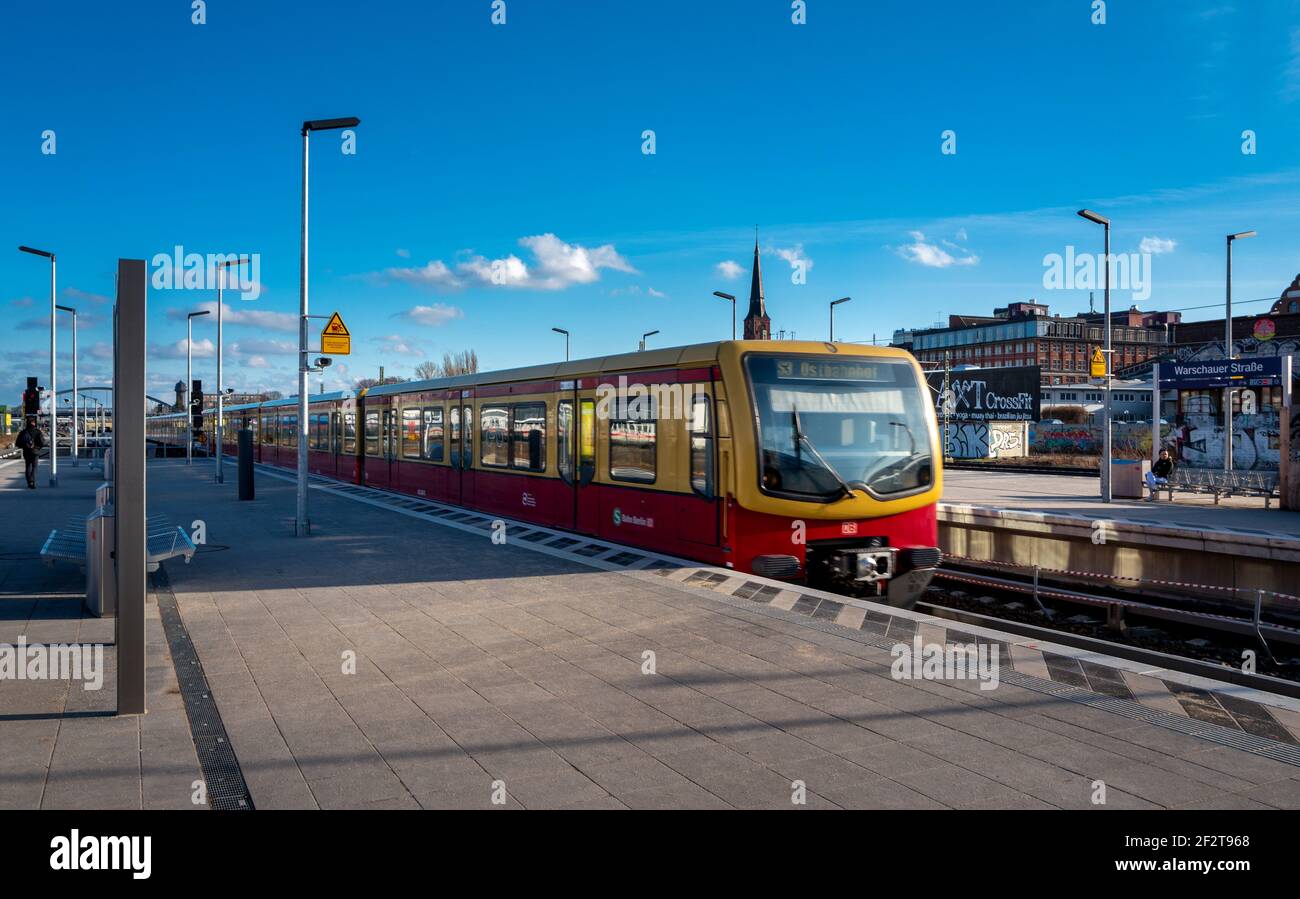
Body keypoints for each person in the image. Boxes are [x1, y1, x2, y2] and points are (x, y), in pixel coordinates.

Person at [16, 415, 46, 489]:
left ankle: (29, 482)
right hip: (35, 451)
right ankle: (32, 481)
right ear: (34, 423)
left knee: (28, 466)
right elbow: (42, 443)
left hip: (26, 451)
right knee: (34, 467)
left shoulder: (23, 432)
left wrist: (25, 446)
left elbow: (17, 443)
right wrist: (38, 447)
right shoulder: (37, 432)